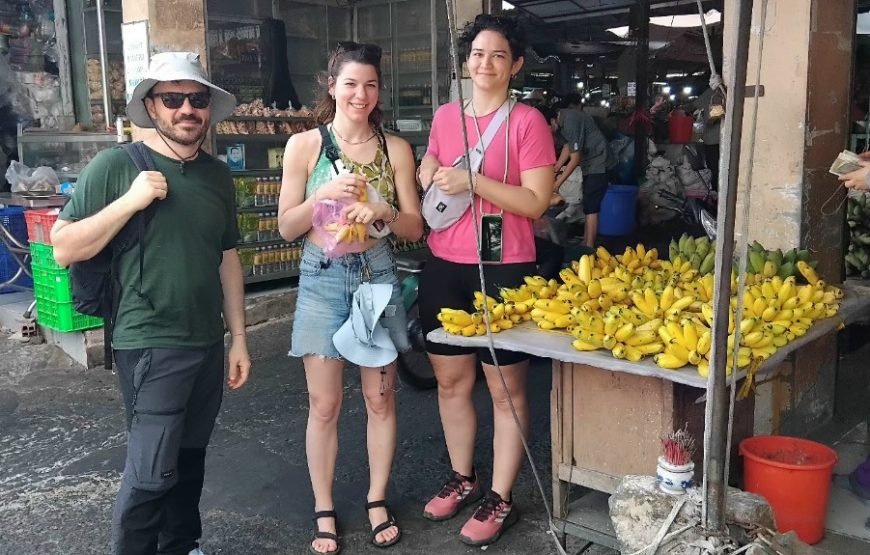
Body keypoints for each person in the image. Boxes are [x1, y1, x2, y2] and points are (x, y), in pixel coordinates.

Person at [51, 52, 251, 555]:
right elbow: (64, 247)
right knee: (151, 470)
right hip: (148, 342)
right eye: (173, 98)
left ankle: (182, 545)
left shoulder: (215, 176)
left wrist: (239, 339)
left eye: (198, 99)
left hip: (207, 341)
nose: (188, 109)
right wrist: (130, 201)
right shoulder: (117, 166)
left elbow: (226, 258)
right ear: (151, 106)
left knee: (189, 459)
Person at [277, 41, 423, 554]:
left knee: (380, 399)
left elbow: (415, 226)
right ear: (332, 86)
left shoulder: (395, 149)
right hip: (322, 276)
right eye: (351, 84)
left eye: (371, 85)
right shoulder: (305, 146)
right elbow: (287, 225)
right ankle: (324, 506)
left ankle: (377, 498)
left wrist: (381, 209)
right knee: (324, 404)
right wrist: (322, 196)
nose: (361, 94)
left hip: (376, 275)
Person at [416, 14, 555, 546]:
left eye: (498, 55)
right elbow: (432, 154)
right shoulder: (447, 115)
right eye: (477, 53)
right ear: (465, 60)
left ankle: (501, 497)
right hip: (444, 263)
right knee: (452, 383)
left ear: (515, 64)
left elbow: (535, 201)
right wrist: (430, 168)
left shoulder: (527, 123)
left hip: (504, 268)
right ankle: (463, 478)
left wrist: (474, 182)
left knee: (504, 388)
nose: (485, 63)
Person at [551, 94, 609, 247]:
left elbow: (575, 158)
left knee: (591, 206)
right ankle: (585, 240)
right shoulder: (564, 120)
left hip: (598, 162)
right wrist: (556, 168)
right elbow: (567, 147)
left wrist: (557, 184)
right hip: (590, 162)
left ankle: (589, 246)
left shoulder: (570, 121)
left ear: (552, 120)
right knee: (588, 202)